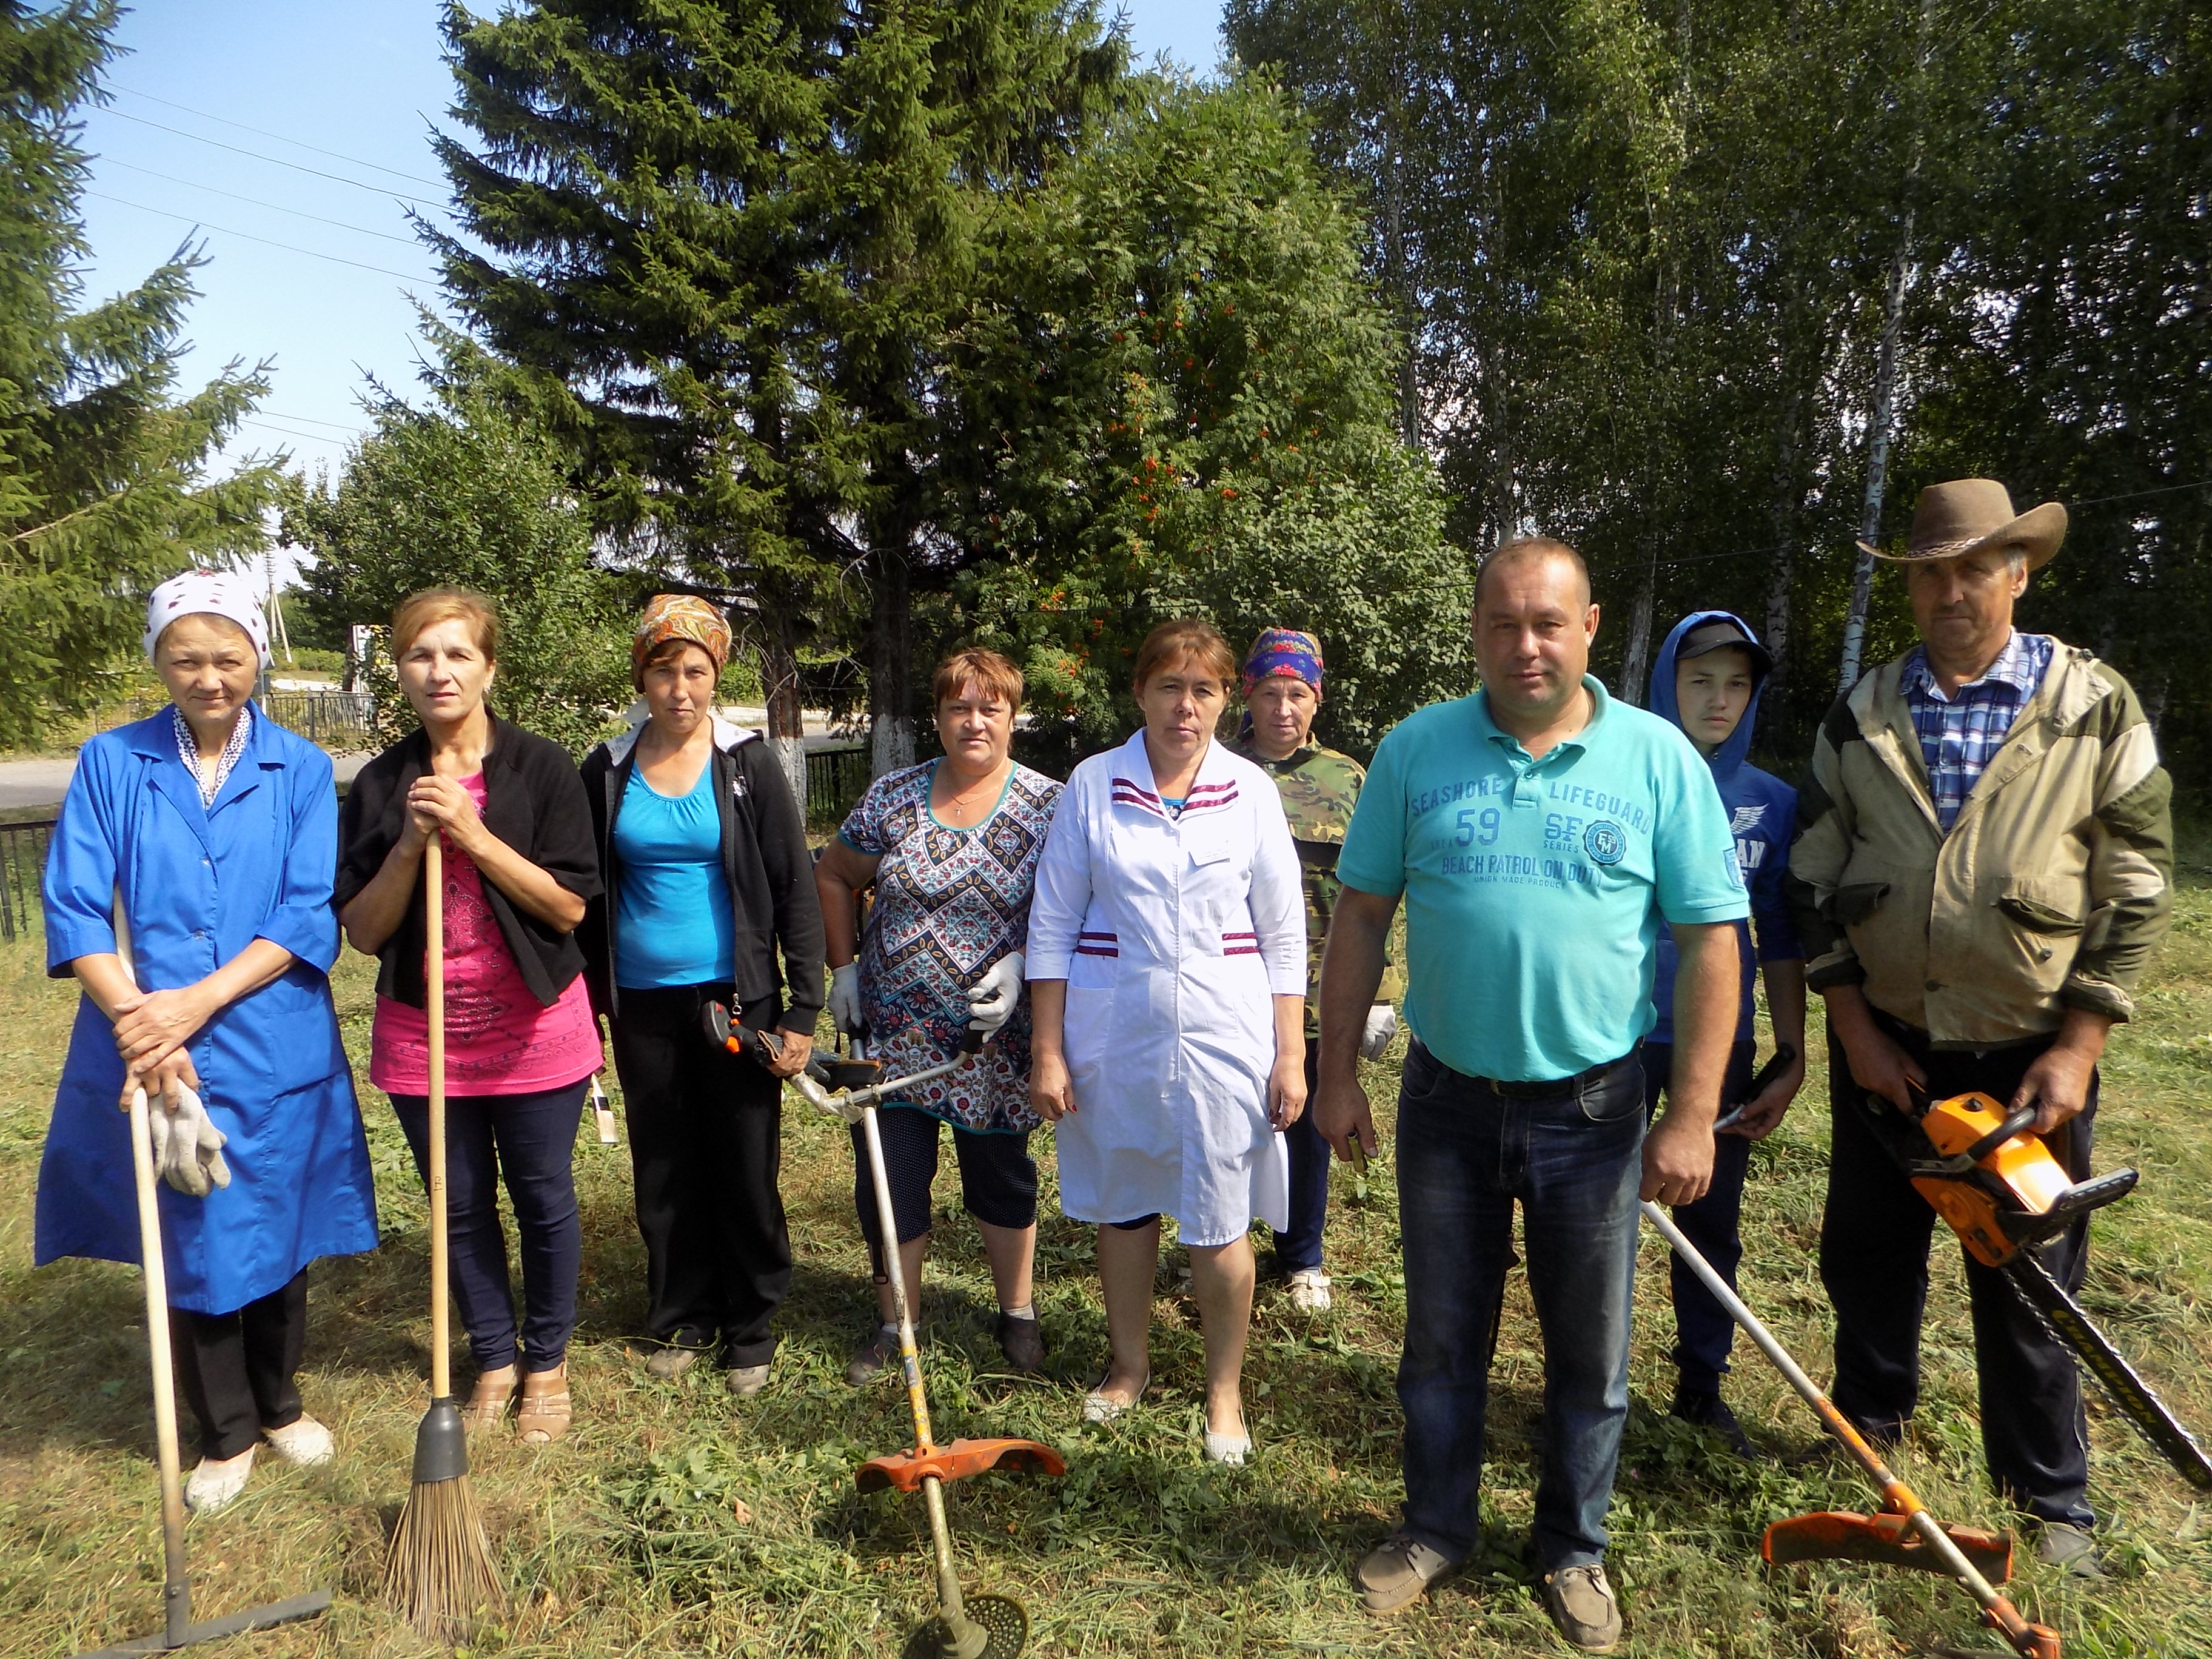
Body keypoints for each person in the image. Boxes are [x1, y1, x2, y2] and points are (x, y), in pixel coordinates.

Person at [1315, 537, 1746, 1649]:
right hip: (1445, 1100)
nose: (1525, 645)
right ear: (1475, 631)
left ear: (1590, 627)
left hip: (1595, 1110)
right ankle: (1433, 1529)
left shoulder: (1656, 761)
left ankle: (1572, 1548)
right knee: (1440, 1337)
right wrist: (1331, 1074)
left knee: (1588, 1351)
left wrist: (1690, 1112)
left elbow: (1709, 943)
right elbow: (1360, 914)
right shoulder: (1415, 751)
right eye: (1502, 623)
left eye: (1546, 622)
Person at [1787, 479, 2173, 1578]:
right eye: (1928, 571)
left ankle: (2051, 1502)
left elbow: (2136, 883)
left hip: (2028, 1053)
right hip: (1887, 1047)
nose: (1949, 590)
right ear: (1906, 585)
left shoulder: (2091, 705)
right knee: (1865, 1257)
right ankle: (1867, 1438)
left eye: (1973, 568)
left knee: (2031, 1278)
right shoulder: (1858, 713)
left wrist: (2077, 1046)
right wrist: (1851, 1023)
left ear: (2017, 572)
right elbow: (1812, 880)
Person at [38, 570, 378, 1514]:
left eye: (229, 657)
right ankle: (223, 1431)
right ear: (160, 661)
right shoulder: (113, 761)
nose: (210, 676)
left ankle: (279, 1404)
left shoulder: (301, 768)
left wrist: (195, 1004)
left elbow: (307, 909)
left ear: (258, 662)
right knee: (191, 1227)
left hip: (271, 1034)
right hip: (148, 1040)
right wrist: (143, 1020)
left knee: (279, 1218)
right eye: (187, 658)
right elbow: (73, 906)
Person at [1028, 618, 1307, 1466]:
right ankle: (1129, 1364)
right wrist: (1047, 1049)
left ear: (1227, 700)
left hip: (1227, 1033)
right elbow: (1053, 922)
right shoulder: (1092, 784)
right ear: (1140, 691)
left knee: (1219, 1219)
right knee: (1124, 1203)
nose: (1186, 707)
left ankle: (1223, 1389)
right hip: (1115, 1030)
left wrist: (1291, 1051)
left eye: (1205, 690)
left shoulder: (1250, 790)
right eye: (1170, 687)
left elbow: (1284, 934)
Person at [336, 588, 603, 1444]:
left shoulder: (545, 770)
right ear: (402, 671)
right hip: (426, 1033)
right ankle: (492, 1357)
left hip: (535, 1026)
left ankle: (548, 1363)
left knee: (543, 1197)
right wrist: (414, 843)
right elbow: (365, 931)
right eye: (421, 655)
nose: (439, 671)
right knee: (455, 1205)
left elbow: (568, 909)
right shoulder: (382, 784)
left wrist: (477, 836)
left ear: (489, 667)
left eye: (457, 654)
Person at [579, 595, 822, 1399]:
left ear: (715, 675)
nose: (680, 688)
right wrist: (586, 999)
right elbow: (583, 893)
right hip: (642, 1003)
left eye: (695, 671)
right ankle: (684, 1315)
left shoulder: (746, 764)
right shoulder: (607, 768)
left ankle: (751, 1323)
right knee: (666, 1163)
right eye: (663, 670)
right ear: (641, 676)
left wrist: (801, 1009)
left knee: (745, 1162)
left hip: (735, 999)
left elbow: (794, 887)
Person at [814, 648, 1063, 1382]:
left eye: (991, 708)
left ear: (1014, 717)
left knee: (1001, 1174)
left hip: (994, 1038)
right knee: (891, 1176)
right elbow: (833, 874)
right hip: (892, 1034)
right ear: (939, 716)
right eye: (960, 707)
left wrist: (1025, 963)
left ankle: (1017, 1312)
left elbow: (1079, 907)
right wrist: (845, 968)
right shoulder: (894, 796)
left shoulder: (1050, 805)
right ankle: (897, 1323)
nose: (974, 721)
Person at [1640, 611, 1806, 1455]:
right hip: (1617, 1033)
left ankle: (1701, 1386)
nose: (1719, 699)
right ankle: (1581, 1374)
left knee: (1710, 1215)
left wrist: (1790, 1050)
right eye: (1700, 678)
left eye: (1736, 683)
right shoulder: (1624, 776)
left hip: (1721, 1044)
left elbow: (1776, 934)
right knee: (1589, 1210)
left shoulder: (1772, 803)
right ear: (1666, 678)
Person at [1229, 628, 1403, 1312]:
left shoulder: (1346, 779)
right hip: (1233, 987)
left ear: (1317, 699)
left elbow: (1377, 892)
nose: (1282, 708)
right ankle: (1222, 1241)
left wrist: (1379, 995)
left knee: (1309, 1125)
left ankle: (1303, 1257)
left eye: (1296, 694)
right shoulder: (1215, 768)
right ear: (1248, 693)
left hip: (1317, 989)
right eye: (1269, 692)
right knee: (1229, 1122)